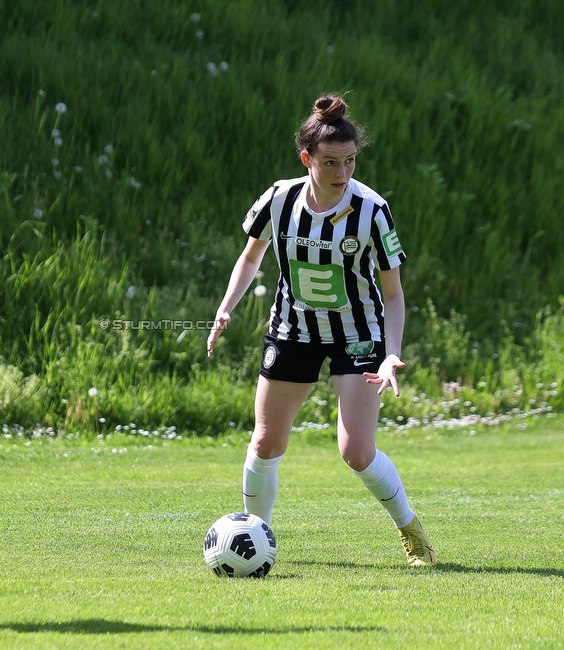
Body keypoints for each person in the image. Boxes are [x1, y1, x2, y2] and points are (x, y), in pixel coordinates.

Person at [207, 94, 435, 568]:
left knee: (355, 451)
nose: (343, 172)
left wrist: (391, 353)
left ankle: (410, 529)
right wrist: (226, 307)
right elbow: (252, 257)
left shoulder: (373, 209)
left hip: (358, 331)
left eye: (350, 161)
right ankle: (256, 540)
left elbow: (393, 294)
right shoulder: (279, 198)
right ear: (306, 159)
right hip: (294, 328)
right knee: (266, 442)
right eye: (331, 162)